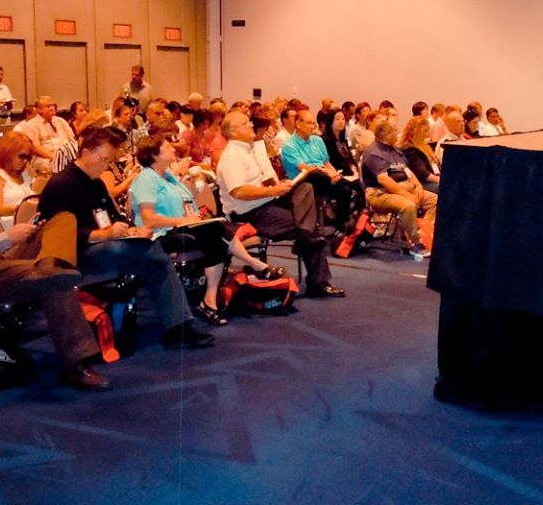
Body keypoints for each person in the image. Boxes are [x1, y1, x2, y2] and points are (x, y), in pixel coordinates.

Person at [37, 126, 214, 348]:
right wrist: (103, 234)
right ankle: (178, 327)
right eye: (104, 159)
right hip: (76, 253)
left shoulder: (96, 183)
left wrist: (131, 229)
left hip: (107, 244)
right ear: (87, 152)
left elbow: (114, 217)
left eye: (109, 160)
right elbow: (55, 233)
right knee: (146, 253)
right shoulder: (61, 184)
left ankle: (178, 326)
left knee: (153, 256)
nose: (106, 166)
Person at [128, 136, 286, 326]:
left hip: (185, 228)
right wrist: (185, 220)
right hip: (161, 235)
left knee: (217, 231)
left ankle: (211, 300)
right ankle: (253, 268)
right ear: (155, 155)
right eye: (167, 146)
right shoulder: (146, 179)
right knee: (216, 233)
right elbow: (149, 219)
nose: (173, 148)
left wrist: (196, 186)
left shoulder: (170, 177)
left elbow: (190, 204)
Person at [215, 111, 344, 298]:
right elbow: (239, 191)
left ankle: (304, 238)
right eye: (246, 123)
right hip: (249, 213)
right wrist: (273, 191)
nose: (251, 125)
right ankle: (317, 279)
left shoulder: (249, 149)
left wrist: (278, 186)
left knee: (305, 188)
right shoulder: (232, 156)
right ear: (233, 131)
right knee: (309, 225)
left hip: (267, 203)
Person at [0, 213, 111, 390]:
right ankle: (75, 364)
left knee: (62, 219)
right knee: (55, 277)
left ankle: (48, 267)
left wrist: (22, 232)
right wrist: (5, 238)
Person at [361, 117, 436, 259]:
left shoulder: (395, 150)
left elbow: (407, 170)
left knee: (435, 200)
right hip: (380, 193)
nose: (398, 133)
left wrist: (418, 185)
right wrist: (407, 195)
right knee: (408, 206)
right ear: (385, 135)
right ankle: (415, 243)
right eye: (395, 131)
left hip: (404, 187)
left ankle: (425, 234)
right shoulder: (373, 153)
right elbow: (384, 181)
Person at [281, 110, 360, 231]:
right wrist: (327, 173)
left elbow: (327, 163)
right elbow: (304, 168)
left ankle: (342, 226)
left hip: (325, 178)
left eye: (313, 123)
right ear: (297, 123)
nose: (312, 127)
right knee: (315, 174)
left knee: (345, 190)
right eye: (309, 123)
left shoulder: (317, 140)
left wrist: (334, 174)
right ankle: (347, 186)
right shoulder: (289, 146)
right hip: (304, 182)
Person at [0, 133, 36, 229]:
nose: (25, 161)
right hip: (7, 231)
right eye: (21, 156)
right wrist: (25, 207)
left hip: (28, 223)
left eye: (28, 158)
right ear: (8, 153)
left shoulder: (23, 174)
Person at [18, 96, 75, 172]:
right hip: (44, 158)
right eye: (48, 106)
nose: (52, 108)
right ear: (39, 110)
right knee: (54, 166)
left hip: (66, 155)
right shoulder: (31, 125)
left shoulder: (60, 121)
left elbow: (72, 139)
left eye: (53, 105)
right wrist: (57, 158)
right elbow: (35, 148)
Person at [399, 116, 440, 194]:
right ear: (414, 131)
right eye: (425, 131)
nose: (427, 135)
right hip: (421, 182)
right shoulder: (409, 149)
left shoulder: (424, 145)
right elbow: (423, 174)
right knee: (446, 188)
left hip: (431, 179)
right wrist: (441, 180)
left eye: (428, 131)